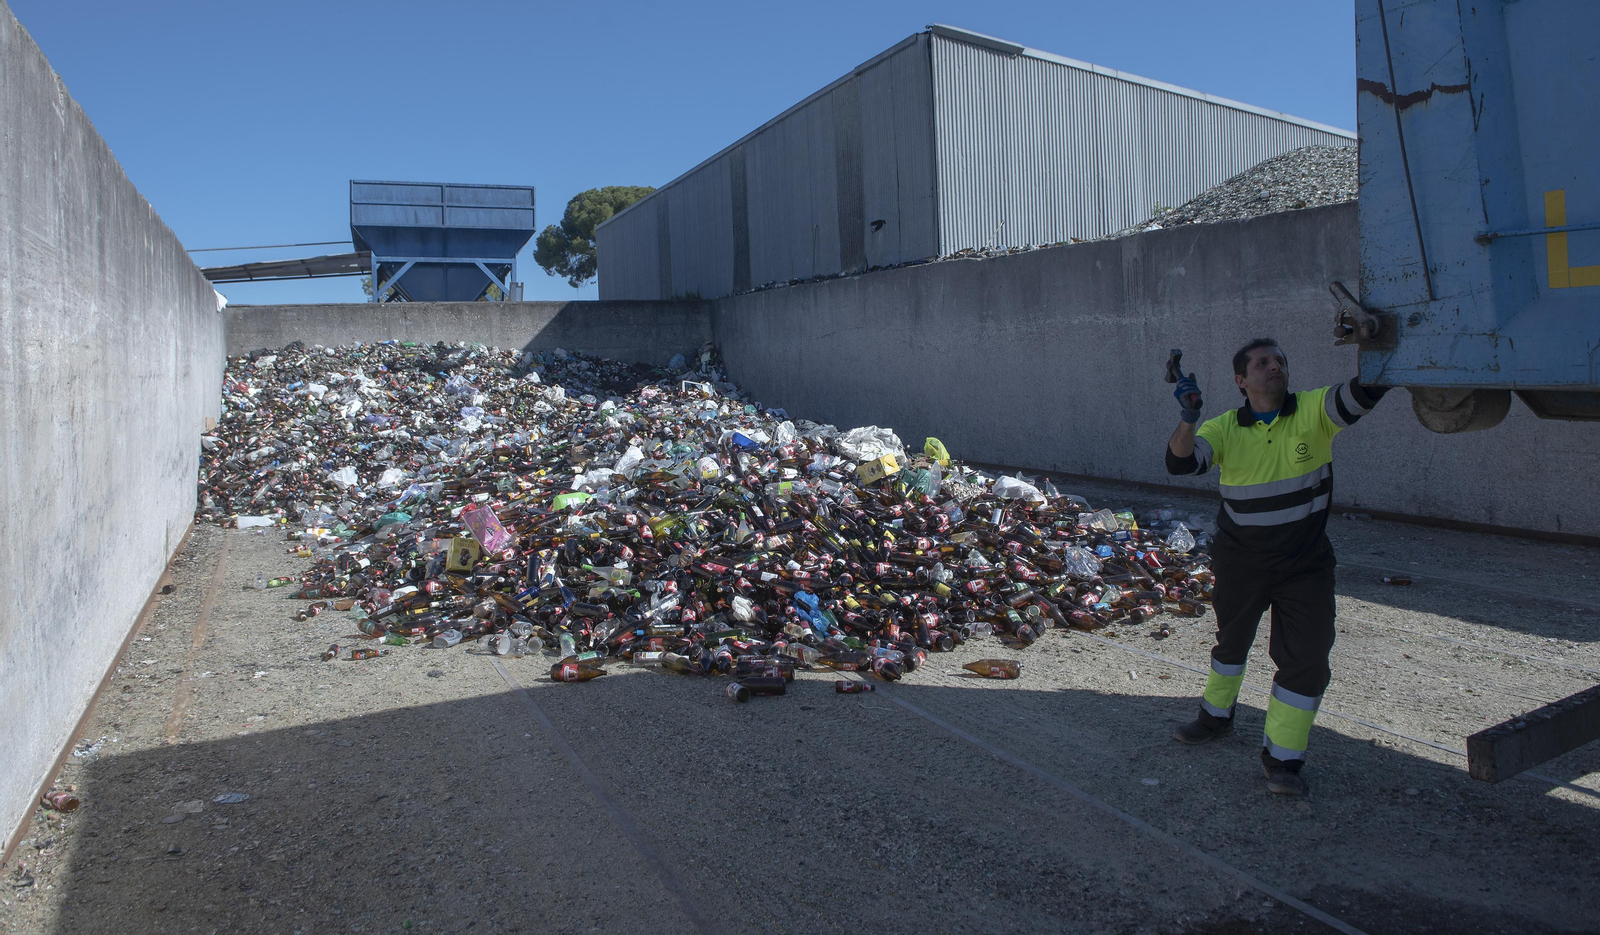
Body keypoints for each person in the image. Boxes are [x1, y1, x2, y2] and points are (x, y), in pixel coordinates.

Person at [1164, 338, 1390, 795]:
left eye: (1280, 361)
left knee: (1306, 658)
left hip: (1304, 565)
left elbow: (1364, 392)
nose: (1274, 367)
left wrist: (1386, 347)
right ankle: (1215, 717)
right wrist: (1188, 419)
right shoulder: (1224, 426)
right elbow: (1179, 463)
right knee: (1231, 644)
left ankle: (1283, 760)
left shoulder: (1314, 411)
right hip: (1241, 560)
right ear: (1240, 380)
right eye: (1262, 363)